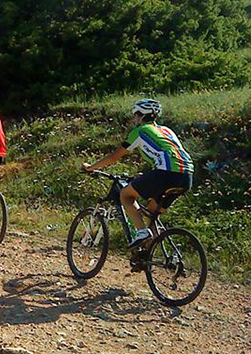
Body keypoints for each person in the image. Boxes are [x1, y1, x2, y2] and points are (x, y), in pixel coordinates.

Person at [83, 98, 194, 249]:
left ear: (141, 115)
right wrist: (147, 175)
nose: (134, 118)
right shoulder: (167, 131)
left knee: (125, 195)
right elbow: (169, 155)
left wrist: (92, 167)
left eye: (136, 114)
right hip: (186, 176)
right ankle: (153, 254)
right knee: (151, 213)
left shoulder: (140, 132)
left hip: (165, 173)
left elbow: (115, 156)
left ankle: (141, 232)